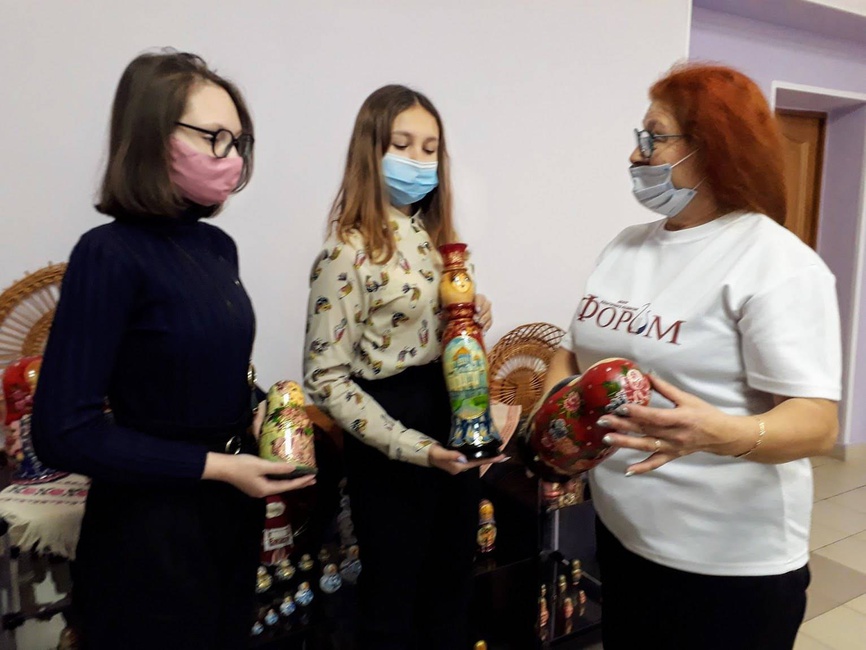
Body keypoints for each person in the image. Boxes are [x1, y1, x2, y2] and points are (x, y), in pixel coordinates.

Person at [541, 63, 841, 650]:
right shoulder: (626, 245)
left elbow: (816, 423)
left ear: (714, 150)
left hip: (726, 567)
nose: (636, 154)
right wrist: (554, 417)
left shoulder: (776, 263)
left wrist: (721, 433)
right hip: (624, 536)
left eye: (654, 138)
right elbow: (571, 350)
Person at [31, 51, 315, 649]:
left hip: (228, 521)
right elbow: (63, 432)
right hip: (149, 535)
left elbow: (208, 370)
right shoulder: (107, 255)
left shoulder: (217, 248)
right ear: (151, 136)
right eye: (213, 138)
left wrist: (261, 409)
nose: (231, 158)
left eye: (239, 142)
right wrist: (218, 467)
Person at [303, 84, 502, 650]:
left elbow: (426, 325)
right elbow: (326, 380)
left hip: (450, 413)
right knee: (393, 602)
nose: (419, 160)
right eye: (403, 144)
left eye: (430, 149)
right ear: (371, 151)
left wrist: (471, 313)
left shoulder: (435, 240)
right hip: (390, 431)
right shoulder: (346, 252)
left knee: (451, 586)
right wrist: (415, 448)